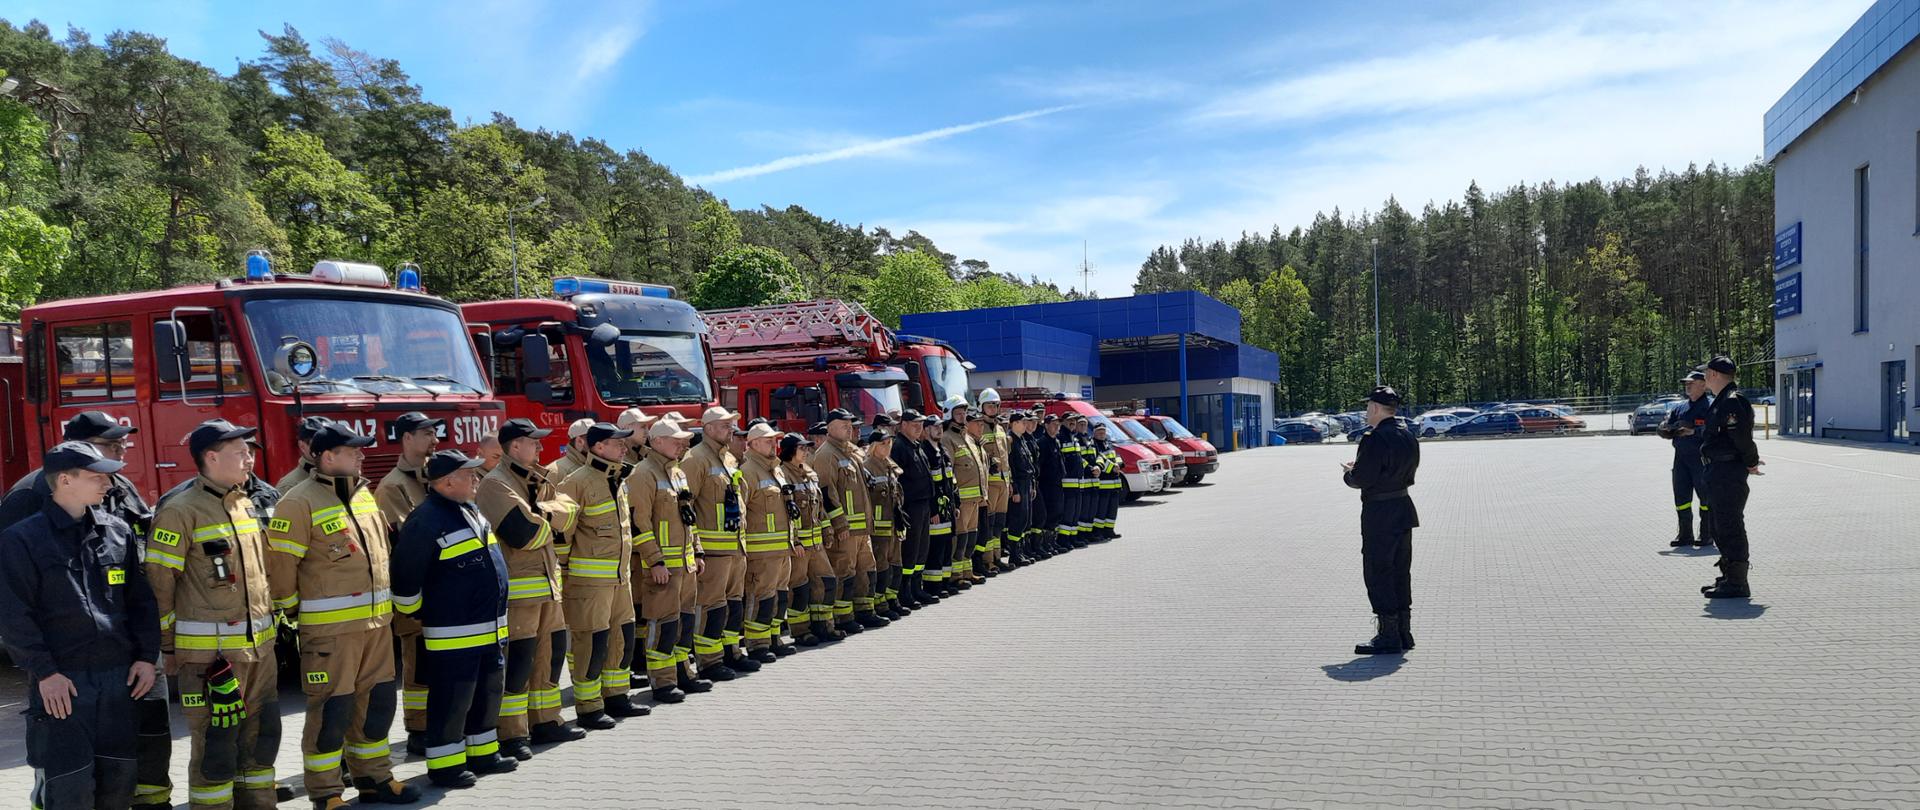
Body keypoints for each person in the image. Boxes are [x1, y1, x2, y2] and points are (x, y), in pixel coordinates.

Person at [0, 411, 172, 809]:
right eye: (97, 476)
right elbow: (14, 616)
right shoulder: (22, 538)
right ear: (65, 481)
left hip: (119, 680)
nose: (109, 483)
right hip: (64, 682)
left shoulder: (117, 531)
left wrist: (147, 658)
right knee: (69, 788)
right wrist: (45, 673)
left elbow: (141, 602)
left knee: (117, 784)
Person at [267, 422, 418, 809]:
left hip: (376, 627)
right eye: (354, 451)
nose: (362, 456)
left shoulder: (365, 496)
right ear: (328, 456)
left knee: (378, 705)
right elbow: (281, 568)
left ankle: (375, 778)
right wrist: (288, 613)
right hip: (330, 633)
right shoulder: (297, 502)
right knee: (331, 711)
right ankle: (326, 791)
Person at [147, 419, 281, 810]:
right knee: (215, 748)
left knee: (261, 739)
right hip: (210, 659)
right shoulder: (180, 511)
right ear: (211, 457)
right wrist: (168, 649)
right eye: (240, 452)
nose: (249, 458)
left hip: (260, 653)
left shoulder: (245, 503)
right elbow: (160, 587)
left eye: (250, 451)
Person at [390, 450, 515, 789]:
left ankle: (483, 755)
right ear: (447, 482)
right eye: (468, 474)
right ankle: (445, 767)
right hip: (453, 633)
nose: (476, 479)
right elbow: (405, 578)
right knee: (452, 700)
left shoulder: (468, 510)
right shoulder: (425, 520)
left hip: (489, 629)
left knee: (487, 694)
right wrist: (422, 613)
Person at [473, 419, 587, 760]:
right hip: (520, 593)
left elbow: (570, 513)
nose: (540, 448)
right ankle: (512, 734)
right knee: (518, 665)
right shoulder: (495, 485)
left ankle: (546, 721)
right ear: (514, 446)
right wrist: (549, 521)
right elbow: (524, 534)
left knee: (549, 659)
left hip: (548, 587)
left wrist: (542, 514)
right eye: (533, 442)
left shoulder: (536, 477)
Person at [554, 422, 648, 725]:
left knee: (622, 638)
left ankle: (617, 697)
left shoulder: (618, 478)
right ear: (597, 447)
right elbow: (561, 537)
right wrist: (566, 576)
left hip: (620, 580)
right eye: (616, 443)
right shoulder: (576, 482)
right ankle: (589, 706)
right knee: (590, 644)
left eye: (623, 443)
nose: (623, 447)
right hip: (588, 583)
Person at [627, 417, 710, 703]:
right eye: (675, 440)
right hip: (664, 568)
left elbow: (689, 518)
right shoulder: (642, 474)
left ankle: (683, 673)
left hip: (685, 566)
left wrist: (697, 551)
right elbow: (639, 523)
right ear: (657, 441)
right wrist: (655, 561)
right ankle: (662, 683)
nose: (682, 444)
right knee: (662, 625)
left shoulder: (677, 473)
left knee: (683, 624)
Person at [376, 411, 440, 753]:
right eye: (427, 434)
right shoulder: (392, 487)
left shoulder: (434, 476)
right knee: (417, 663)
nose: (434, 440)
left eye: (434, 432)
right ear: (406, 439)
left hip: (442, 589)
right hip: (415, 590)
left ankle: (436, 721)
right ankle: (417, 729)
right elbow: (405, 542)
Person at [1342, 386, 1420, 656]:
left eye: (1367, 407)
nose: (1366, 412)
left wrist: (1350, 473)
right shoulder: (1408, 434)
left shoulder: (1374, 439)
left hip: (1380, 512)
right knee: (1401, 569)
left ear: (1375, 408)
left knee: (1379, 571)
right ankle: (1403, 632)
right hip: (1403, 507)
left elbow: (1363, 479)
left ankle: (1388, 636)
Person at [687, 406, 755, 682]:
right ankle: (709, 661)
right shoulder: (695, 460)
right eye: (725, 426)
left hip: (735, 548)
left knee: (733, 605)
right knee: (711, 607)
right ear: (709, 428)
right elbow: (687, 506)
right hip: (714, 552)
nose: (730, 430)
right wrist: (697, 547)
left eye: (731, 426)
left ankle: (731, 652)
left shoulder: (728, 458)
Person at [813, 409, 888, 631]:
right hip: (845, 530)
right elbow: (827, 494)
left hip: (861, 528)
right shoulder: (826, 455)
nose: (850, 428)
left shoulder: (851, 452)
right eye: (844, 424)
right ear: (830, 427)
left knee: (867, 569)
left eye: (850, 424)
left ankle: (865, 611)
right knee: (844, 573)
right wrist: (839, 525)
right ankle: (844, 618)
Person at [1698, 355, 1762, 599]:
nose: (1704, 377)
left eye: (1706, 373)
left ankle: (1738, 582)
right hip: (1717, 472)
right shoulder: (1721, 401)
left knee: (1729, 525)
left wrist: (1751, 462)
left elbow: (1742, 438)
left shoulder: (1732, 402)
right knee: (1718, 525)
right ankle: (1728, 576)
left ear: (1714, 374)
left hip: (1727, 472)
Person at [740, 422, 801, 661]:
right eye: (767, 440)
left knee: (779, 597)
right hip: (761, 553)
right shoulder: (748, 472)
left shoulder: (775, 469)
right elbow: (742, 512)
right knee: (761, 598)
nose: (773, 444)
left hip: (781, 549)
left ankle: (774, 638)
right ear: (753, 444)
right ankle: (757, 644)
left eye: (774, 440)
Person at [782, 431, 841, 645]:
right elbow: (786, 513)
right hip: (800, 547)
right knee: (799, 589)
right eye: (801, 448)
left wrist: (827, 530)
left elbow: (820, 507)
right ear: (789, 451)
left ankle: (824, 625)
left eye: (807, 448)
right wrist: (795, 541)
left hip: (817, 545)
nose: (806, 451)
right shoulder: (783, 475)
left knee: (826, 583)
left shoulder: (809, 473)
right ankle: (800, 631)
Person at [1658, 371, 1716, 549]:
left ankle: (1707, 535)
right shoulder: (1680, 407)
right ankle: (1685, 535)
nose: (1687, 386)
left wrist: (1694, 431)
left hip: (1702, 458)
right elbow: (1667, 425)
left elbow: (1716, 430)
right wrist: (1665, 430)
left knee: (1705, 498)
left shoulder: (1711, 406)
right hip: (1681, 459)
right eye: (1686, 383)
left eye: (1692, 382)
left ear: (1703, 384)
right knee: (1681, 497)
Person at [861, 422, 909, 618]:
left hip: (894, 524)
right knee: (882, 567)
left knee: (896, 565)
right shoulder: (867, 467)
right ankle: (880, 605)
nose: (887, 446)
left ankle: (892, 600)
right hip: (879, 528)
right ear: (873, 446)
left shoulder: (890, 465)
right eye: (883, 443)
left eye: (889, 442)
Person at [891, 411, 937, 608]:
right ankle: (905, 592)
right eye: (913, 424)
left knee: (921, 549)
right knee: (910, 551)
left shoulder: (916, 446)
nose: (918, 427)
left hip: (924, 504)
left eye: (920, 424)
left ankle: (917, 588)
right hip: (911, 506)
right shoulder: (899, 447)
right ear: (903, 425)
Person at [976, 390, 1013, 574]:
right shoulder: (978, 427)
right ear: (981, 407)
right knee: (988, 525)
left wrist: (1010, 481)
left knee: (999, 523)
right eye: (989, 405)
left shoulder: (1000, 428)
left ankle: (997, 558)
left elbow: (1006, 457)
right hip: (989, 484)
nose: (993, 408)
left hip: (1003, 483)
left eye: (995, 405)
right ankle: (987, 561)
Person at [1005, 410, 1037, 567]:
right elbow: (1011, 467)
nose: (1026, 425)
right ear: (1014, 423)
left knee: (1026, 520)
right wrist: (1015, 490)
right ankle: (1014, 554)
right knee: (1018, 520)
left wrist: (1032, 485)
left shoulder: (1022, 440)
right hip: (1018, 484)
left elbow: (1029, 464)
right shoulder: (1010, 441)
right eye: (1022, 422)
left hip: (1027, 483)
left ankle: (1021, 551)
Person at [275, 416, 335, 494]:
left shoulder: (346, 476)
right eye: (320, 443)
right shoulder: (289, 487)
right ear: (302, 446)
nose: (327, 449)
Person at [1034, 415, 1065, 559]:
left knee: (1056, 513)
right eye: (1053, 424)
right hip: (1047, 485)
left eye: (1058, 424)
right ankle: (1044, 544)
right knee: (1048, 514)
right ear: (1046, 425)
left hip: (1057, 484)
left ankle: (1052, 542)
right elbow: (1040, 465)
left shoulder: (1056, 442)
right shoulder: (1043, 442)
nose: (1056, 427)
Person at [1090, 422, 1123, 542]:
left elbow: (1117, 457)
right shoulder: (1093, 444)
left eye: (1103, 431)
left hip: (1114, 483)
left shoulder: (1108, 443)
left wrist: (1119, 465)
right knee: (1101, 510)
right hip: (1103, 483)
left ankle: (1109, 530)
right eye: (1099, 431)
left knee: (1112, 509)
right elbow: (1097, 460)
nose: (1102, 433)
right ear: (1094, 433)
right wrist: (1112, 467)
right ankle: (1098, 532)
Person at [546, 418, 597, 484]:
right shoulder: (555, 472)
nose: (599, 443)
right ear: (579, 441)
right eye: (594, 438)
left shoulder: (595, 465)